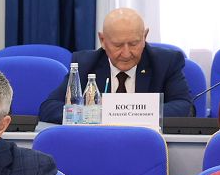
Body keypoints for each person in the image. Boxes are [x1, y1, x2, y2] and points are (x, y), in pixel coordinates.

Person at [39, 7, 195, 122]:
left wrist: (128, 113)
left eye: (134, 44)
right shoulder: (85, 64)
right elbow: (49, 108)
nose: (126, 53)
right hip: (98, 142)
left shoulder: (166, 62)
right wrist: (96, 114)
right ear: (103, 40)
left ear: (145, 36)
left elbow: (186, 107)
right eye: (118, 45)